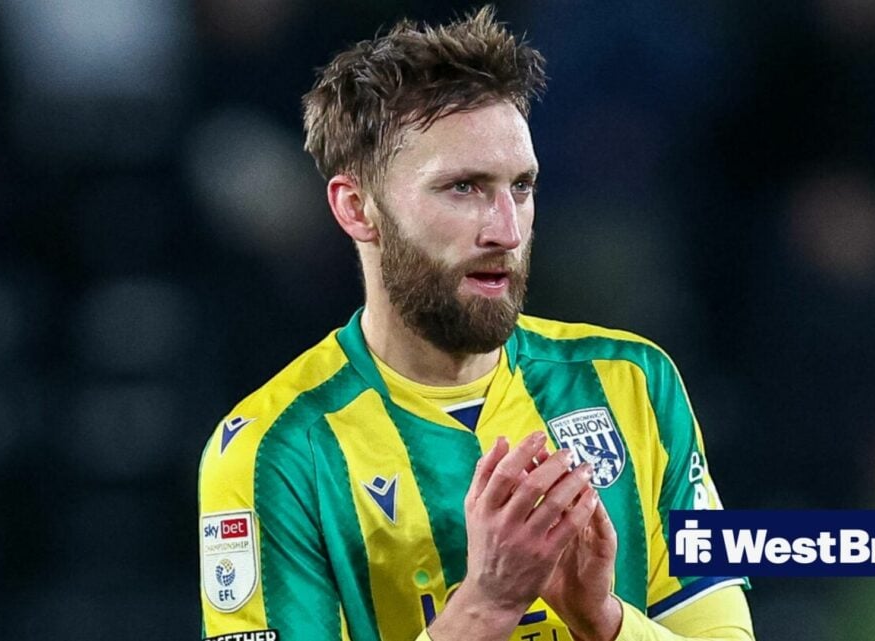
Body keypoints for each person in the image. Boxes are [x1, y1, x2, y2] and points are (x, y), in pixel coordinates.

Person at [198, 7, 755, 641]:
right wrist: (485, 606)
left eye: (521, 186)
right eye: (463, 188)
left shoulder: (636, 383)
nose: (507, 230)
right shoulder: (274, 451)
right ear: (357, 209)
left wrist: (604, 619)